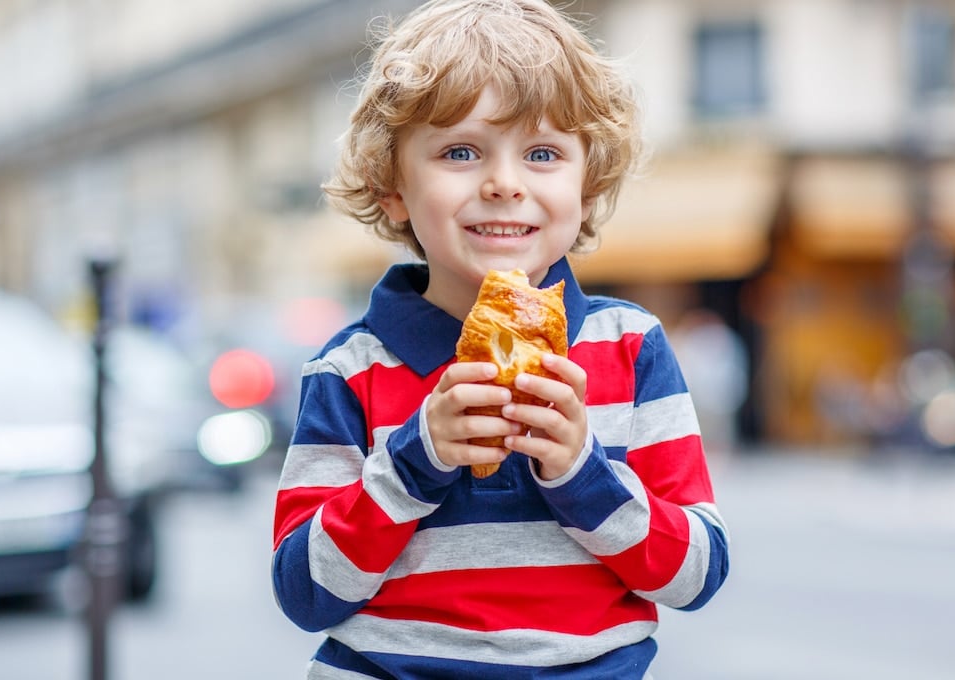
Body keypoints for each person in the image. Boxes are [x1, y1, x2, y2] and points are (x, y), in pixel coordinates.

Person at [271, 1, 730, 677]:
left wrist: (583, 472)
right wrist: (413, 461)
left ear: (588, 181)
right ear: (393, 188)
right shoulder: (350, 370)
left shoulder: (630, 348)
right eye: (460, 151)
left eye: (543, 153)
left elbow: (695, 574)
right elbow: (304, 591)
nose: (504, 184)